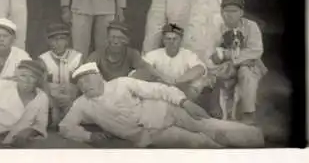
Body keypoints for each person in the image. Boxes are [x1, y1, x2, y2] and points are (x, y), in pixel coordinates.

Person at [59, 62, 264, 148]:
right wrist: (89, 136)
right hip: (150, 135)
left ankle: (257, 137)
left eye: (88, 79)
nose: (85, 86)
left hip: (169, 111)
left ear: (99, 76)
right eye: (80, 83)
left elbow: (160, 89)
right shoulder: (82, 104)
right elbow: (65, 127)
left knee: (211, 127)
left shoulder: (122, 83)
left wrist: (185, 103)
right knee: (199, 144)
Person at [208, 0, 268, 125]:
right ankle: (217, 110)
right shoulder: (217, 28)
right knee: (213, 73)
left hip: (250, 65)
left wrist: (227, 55)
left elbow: (256, 50)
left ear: (241, 12)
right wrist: (224, 58)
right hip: (226, 66)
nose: (229, 15)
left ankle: (248, 113)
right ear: (221, 12)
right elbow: (214, 54)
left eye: (234, 11)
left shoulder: (251, 26)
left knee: (246, 72)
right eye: (226, 11)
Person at [134, 23, 212, 101]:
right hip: (159, 94)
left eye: (175, 39)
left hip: (182, 92)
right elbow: (141, 67)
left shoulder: (188, 54)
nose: (171, 42)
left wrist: (176, 81)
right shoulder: (154, 54)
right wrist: (161, 77)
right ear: (163, 40)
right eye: (168, 39)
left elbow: (200, 68)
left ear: (180, 40)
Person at [86, 21, 163, 81]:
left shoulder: (132, 54)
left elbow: (147, 70)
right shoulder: (98, 55)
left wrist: (134, 77)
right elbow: (84, 72)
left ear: (127, 40)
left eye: (120, 38)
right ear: (107, 38)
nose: (115, 41)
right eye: (112, 37)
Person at [38, 22, 83, 126]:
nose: (57, 43)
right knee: (53, 121)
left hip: (71, 97)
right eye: (53, 39)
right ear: (48, 41)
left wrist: (73, 100)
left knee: (71, 120)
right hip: (53, 98)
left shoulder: (77, 57)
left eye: (61, 39)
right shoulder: (43, 59)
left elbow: (81, 83)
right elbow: (43, 85)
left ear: (67, 40)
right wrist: (52, 104)